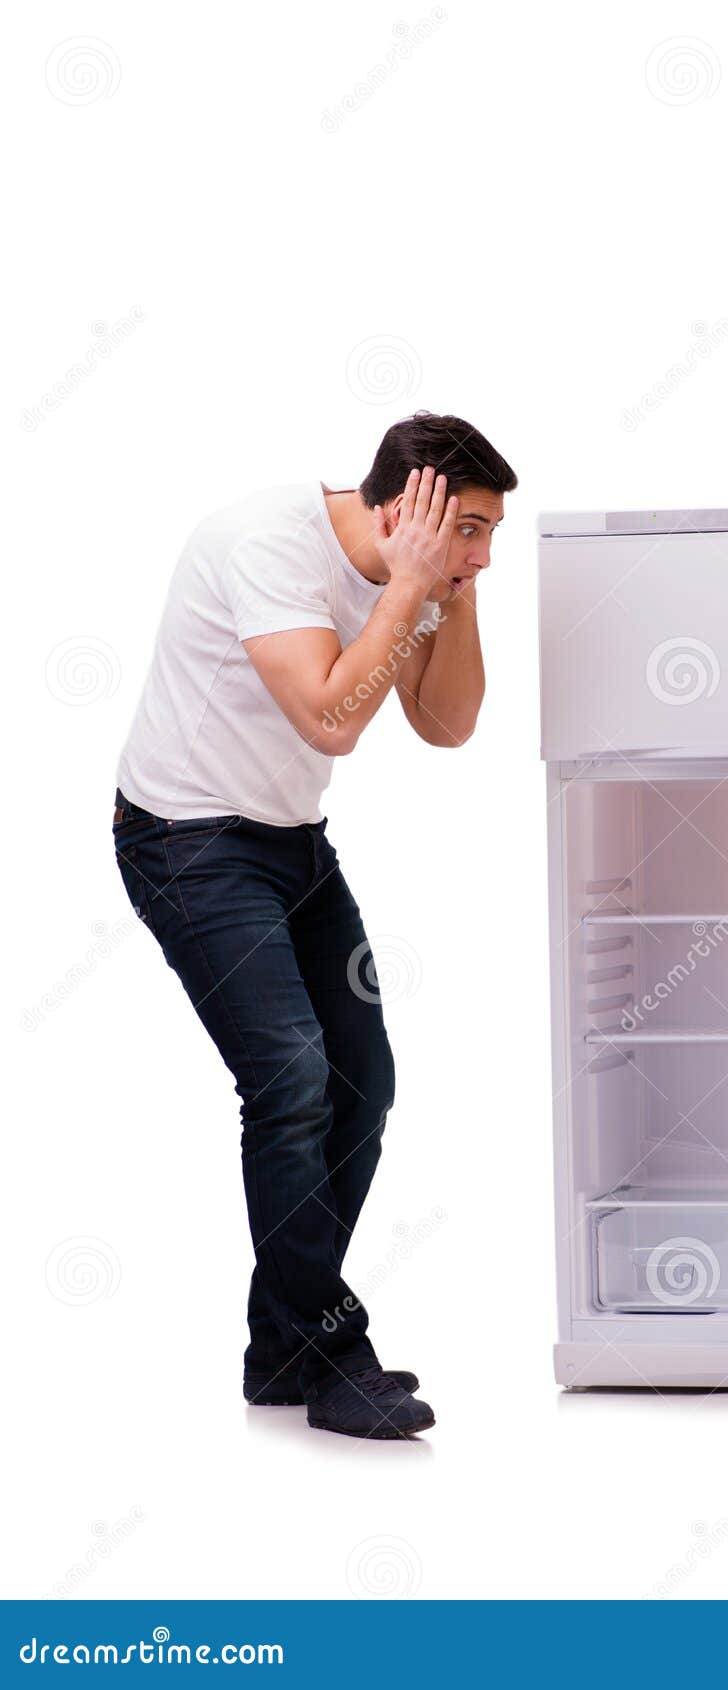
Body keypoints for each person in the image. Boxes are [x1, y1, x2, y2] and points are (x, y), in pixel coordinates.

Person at [111, 411, 517, 1438]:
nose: (482, 554)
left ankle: (281, 1349)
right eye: (470, 529)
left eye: (489, 535)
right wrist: (416, 584)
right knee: (291, 1076)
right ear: (406, 508)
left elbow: (448, 724)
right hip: (184, 840)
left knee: (362, 1084)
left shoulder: (418, 571)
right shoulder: (267, 545)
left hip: (291, 841)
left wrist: (448, 588)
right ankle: (334, 1354)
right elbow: (333, 718)